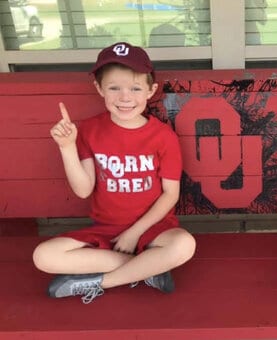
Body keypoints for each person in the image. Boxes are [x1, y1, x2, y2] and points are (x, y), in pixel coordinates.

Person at [32, 42, 196, 304]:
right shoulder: (89, 130)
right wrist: (67, 147)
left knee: (184, 245)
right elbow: (84, 189)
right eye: (114, 88)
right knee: (43, 256)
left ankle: (100, 282)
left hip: (153, 230)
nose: (125, 97)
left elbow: (169, 195)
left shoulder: (163, 136)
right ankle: (147, 269)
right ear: (99, 88)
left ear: (151, 90)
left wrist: (134, 233)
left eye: (135, 88)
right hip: (106, 230)